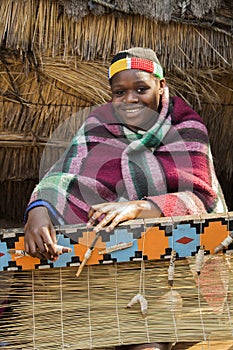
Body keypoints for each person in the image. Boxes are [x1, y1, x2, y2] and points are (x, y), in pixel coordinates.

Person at [24, 47, 227, 350]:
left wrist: (138, 207)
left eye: (141, 88)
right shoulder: (98, 123)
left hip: (174, 265)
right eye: (120, 92)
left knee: (151, 340)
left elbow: (201, 199)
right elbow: (65, 176)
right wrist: (39, 208)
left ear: (162, 86)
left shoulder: (186, 127)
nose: (130, 99)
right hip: (110, 266)